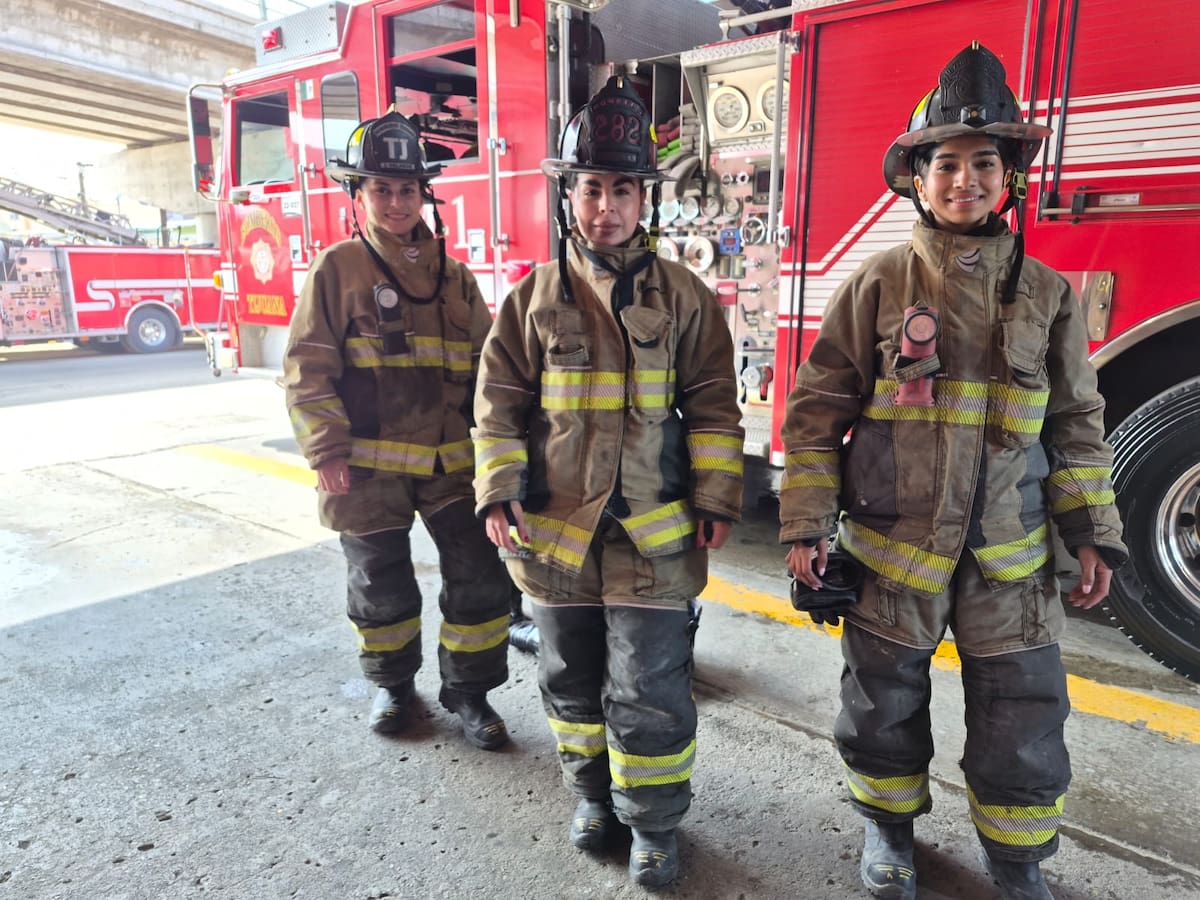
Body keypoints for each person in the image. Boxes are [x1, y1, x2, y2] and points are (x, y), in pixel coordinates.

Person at [779, 43, 1128, 900]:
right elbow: (818, 413)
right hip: (894, 554)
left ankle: (1016, 862)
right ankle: (888, 833)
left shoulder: (1048, 294)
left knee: (1023, 717)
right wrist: (803, 526)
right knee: (881, 708)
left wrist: (1093, 535)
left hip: (1010, 560)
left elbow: (1079, 424)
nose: (963, 180)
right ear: (917, 177)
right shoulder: (877, 283)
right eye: (946, 163)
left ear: (1010, 174)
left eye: (983, 162)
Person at [471, 75, 744, 888]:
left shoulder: (688, 298)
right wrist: (498, 488)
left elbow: (715, 408)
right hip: (554, 541)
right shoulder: (531, 299)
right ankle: (591, 796)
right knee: (569, 680)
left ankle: (654, 826)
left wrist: (719, 496)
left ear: (644, 199)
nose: (606, 207)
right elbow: (497, 405)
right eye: (591, 187)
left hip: (652, 542)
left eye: (623, 188)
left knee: (652, 689)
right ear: (569, 196)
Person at [282, 109, 512, 750]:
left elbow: (492, 373)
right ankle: (392, 684)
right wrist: (326, 449)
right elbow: (306, 368)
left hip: (450, 465)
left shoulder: (455, 276)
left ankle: (470, 693)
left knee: (480, 578)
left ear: (423, 195)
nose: (394, 201)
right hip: (367, 467)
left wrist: (503, 457)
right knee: (380, 585)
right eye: (379, 189)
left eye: (406, 189)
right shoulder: (337, 268)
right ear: (357, 196)